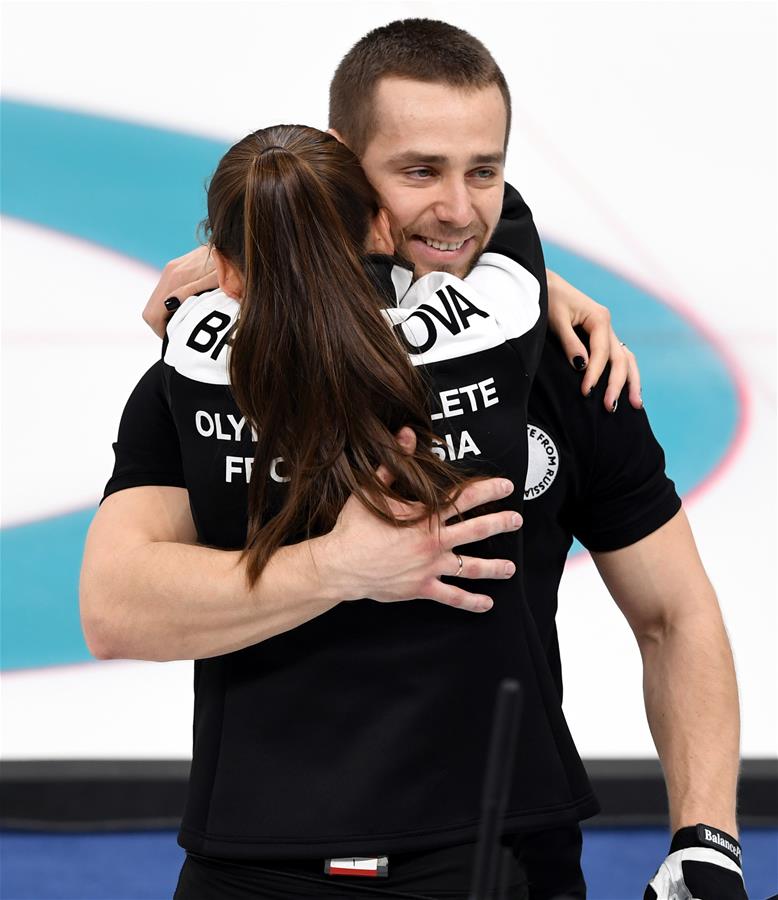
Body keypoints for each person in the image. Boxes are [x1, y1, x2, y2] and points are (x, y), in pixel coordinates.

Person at [87, 18, 743, 900]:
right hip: (253, 859)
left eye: (485, 170)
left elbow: (675, 614)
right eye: (420, 171)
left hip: (502, 855)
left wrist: (707, 840)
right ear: (344, 173)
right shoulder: (213, 360)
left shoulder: (562, 360)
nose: (461, 208)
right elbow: (114, 609)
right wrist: (337, 567)